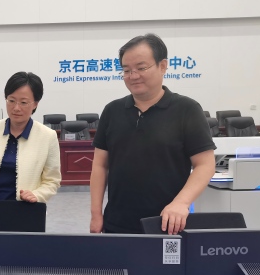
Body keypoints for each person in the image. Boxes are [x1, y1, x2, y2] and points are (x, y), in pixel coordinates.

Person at [90, 33, 215, 235]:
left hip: (167, 224)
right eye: (126, 70)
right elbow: (100, 165)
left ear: (163, 66)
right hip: (117, 223)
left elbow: (205, 164)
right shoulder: (112, 111)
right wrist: (96, 213)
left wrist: (181, 203)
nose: (133, 76)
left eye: (141, 68)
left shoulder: (187, 109)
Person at [0, 72, 61, 203]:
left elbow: (52, 181)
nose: (16, 108)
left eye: (23, 102)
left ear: (35, 104)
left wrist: (37, 195)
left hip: (27, 209)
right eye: (11, 101)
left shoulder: (48, 137)